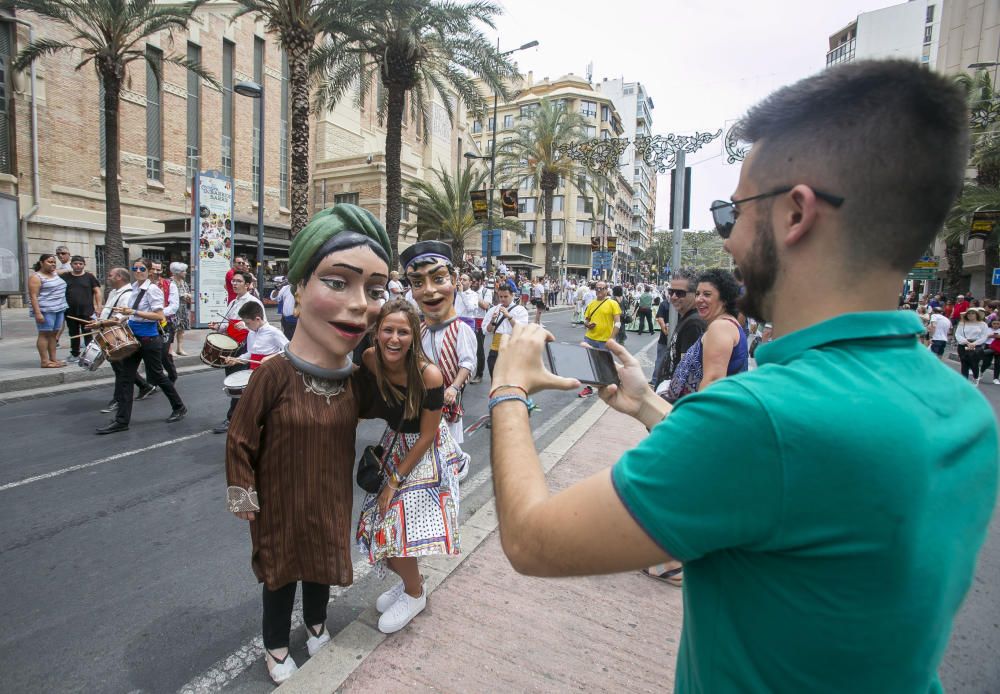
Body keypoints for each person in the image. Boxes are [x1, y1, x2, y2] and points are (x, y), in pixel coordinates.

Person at [485, 61, 997, 692]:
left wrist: (509, 385)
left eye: (732, 213)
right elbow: (782, 496)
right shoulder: (965, 406)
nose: (726, 242)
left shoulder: (761, 418)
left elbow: (532, 541)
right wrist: (649, 407)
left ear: (795, 213)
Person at [225, 204, 392, 684]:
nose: (361, 303)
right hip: (279, 502)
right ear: (298, 289)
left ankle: (317, 625)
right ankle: (276, 646)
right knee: (281, 572)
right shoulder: (274, 374)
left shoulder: (355, 380)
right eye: (338, 282)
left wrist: (407, 360)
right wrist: (243, 491)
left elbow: (399, 411)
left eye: (375, 290)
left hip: (329, 497)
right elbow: (240, 437)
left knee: (321, 562)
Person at [354, 299, 462, 634]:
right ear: (377, 332)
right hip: (395, 442)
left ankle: (415, 593)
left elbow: (428, 435)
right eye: (388, 329)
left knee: (393, 529)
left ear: (414, 336)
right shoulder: (371, 359)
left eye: (403, 331)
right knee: (377, 526)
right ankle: (410, 583)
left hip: (424, 450)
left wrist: (393, 482)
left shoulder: (428, 375)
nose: (394, 338)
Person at [400, 240, 476, 480]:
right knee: (428, 436)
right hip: (423, 396)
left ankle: (458, 462)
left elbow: (467, 363)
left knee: (447, 436)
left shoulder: (461, 330)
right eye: (418, 283)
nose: (430, 291)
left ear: (454, 281)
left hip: (446, 396)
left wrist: (454, 387)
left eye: (439, 279)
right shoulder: (419, 330)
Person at [96, 258, 186, 434]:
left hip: (150, 340)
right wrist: (105, 323)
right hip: (133, 337)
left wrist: (134, 312)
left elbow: (159, 316)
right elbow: (130, 316)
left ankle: (179, 406)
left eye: (142, 268)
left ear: (149, 271)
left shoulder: (153, 290)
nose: (138, 271)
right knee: (125, 378)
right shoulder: (135, 288)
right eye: (135, 268)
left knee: (157, 376)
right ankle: (122, 421)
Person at [662, 269, 748, 402]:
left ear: (724, 299)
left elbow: (713, 381)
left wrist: (696, 417)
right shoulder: (725, 324)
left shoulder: (720, 327)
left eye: (707, 294)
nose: (699, 299)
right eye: (697, 294)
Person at [90, 267, 154, 414]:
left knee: (121, 370)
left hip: (119, 335)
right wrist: (99, 321)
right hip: (109, 332)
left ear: (119, 277)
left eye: (111, 275)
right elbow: (109, 311)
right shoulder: (113, 292)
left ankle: (118, 400)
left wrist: (102, 324)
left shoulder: (128, 294)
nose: (108, 277)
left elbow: (121, 317)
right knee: (120, 368)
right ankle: (145, 386)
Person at [211, 270, 265, 434]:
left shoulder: (253, 302)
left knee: (237, 384)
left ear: (248, 285)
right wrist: (218, 327)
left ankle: (233, 418)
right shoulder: (234, 302)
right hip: (232, 347)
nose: (234, 284)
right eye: (233, 281)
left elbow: (262, 326)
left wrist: (246, 327)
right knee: (235, 382)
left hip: (243, 348)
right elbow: (229, 324)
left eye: (239, 281)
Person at [650, 270, 706, 388]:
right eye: (671, 292)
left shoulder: (693, 324)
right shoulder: (686, 318)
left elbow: (688, 372)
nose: (674, 297)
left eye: (680, 293)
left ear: (695, 294)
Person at [577, 281, 620, 398]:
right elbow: (586, 320)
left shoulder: (612, 303)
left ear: (607, 290)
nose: (599, 291)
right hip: (590, 338)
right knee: (588, 364)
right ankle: (589, 387)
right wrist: (588, 324)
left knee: (605, 365)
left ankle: (608, 387)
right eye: (597, 289)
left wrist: (611, 340)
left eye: (601, 289)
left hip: (604, 341)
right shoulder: (591, 304)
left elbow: (618, 324)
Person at [27, 253, 69, 368]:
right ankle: (45, 361)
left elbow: (66, 270)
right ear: (41, 263)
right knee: (44, 334)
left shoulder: (55, 273)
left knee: (54, 335)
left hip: (59, 308)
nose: (53, 264)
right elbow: (33, 296)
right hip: (45, 310)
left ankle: (53, 359)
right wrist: (38, 313)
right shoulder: (36, 277)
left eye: (54, 262)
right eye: (50, 262)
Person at [483, 283, 530, 379]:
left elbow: (522, 329)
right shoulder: (493, 310)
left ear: (512, 295)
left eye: (506, 296)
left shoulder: (520, 310)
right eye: (500, 296)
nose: (503, 299)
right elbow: (486, 331)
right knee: (495, 379)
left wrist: (509, 317)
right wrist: (492, 321)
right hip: (495, 349)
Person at [62, 255, 103, 363]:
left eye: (80, 264)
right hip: (70, 311)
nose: (78, 266)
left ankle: (89, 356)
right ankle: (75, 354)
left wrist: (98, 307)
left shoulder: (89, 277)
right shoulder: (65, 277)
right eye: (75, 263)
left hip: (87, 311)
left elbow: (97, 291)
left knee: (88, 333)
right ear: (71, 265)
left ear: (84, 265)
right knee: (73, 333)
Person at [225, 300, 288, 370]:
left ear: (257, 319)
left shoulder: (274, 332)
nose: (246, 326)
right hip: (254, 371)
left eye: (248, 323)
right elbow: (250, 354)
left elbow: (289, 351)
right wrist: (237, 359)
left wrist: (271, 357)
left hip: (270, 371)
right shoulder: (251, 333)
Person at [149, 261, 179, 382]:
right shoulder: (142, 285)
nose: (156, 272)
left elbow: (174, 306)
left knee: (163, 353)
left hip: (165, 323)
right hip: (149, 324)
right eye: (153, 269)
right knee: (150, 354)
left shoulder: (169, 284)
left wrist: (157, 314)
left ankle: (172, 375)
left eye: (158, 270)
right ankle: (152, 382)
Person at [956, 306, 989, 384]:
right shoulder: (962, 323)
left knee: (974, 363)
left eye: (973, 313)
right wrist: (966, 342)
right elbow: (958, 334)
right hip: (964, 344)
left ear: (976, 314)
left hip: (976, 345)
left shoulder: (982, 324)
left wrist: (974, 343)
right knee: (964, 363)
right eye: (969, 313)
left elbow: (984, 336)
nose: (970, 315)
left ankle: (976, 376)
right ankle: (964, 382)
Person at [170, 262, 192, 355]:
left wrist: (188, 296)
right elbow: (170, 295)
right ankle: (170, 349)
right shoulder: (170, 282)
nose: (185, 273)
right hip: (173, 309)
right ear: (177, 272)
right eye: (183, 271)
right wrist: (183, 296)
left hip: (183, 308)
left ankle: (180, 348)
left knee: (181, 329)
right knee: (172, 329)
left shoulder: (184, 282)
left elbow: (188, 292)